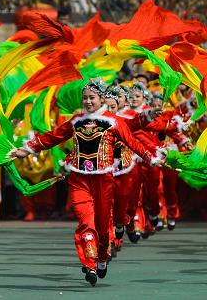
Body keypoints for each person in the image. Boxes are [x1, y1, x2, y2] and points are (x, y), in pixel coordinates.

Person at [11, 78, 164, 286]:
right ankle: (89, 263)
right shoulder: (76, 121)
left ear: (101, 98)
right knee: (86, 221)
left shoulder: (114, 122)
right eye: (85, 98)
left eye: (92, 98)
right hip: (79, 179)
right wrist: (27, 148)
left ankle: (101, 258)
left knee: (102, 226)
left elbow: (133, 142)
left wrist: (151, 158)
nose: (88, 102)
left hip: (103, 180)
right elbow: (53, 137)